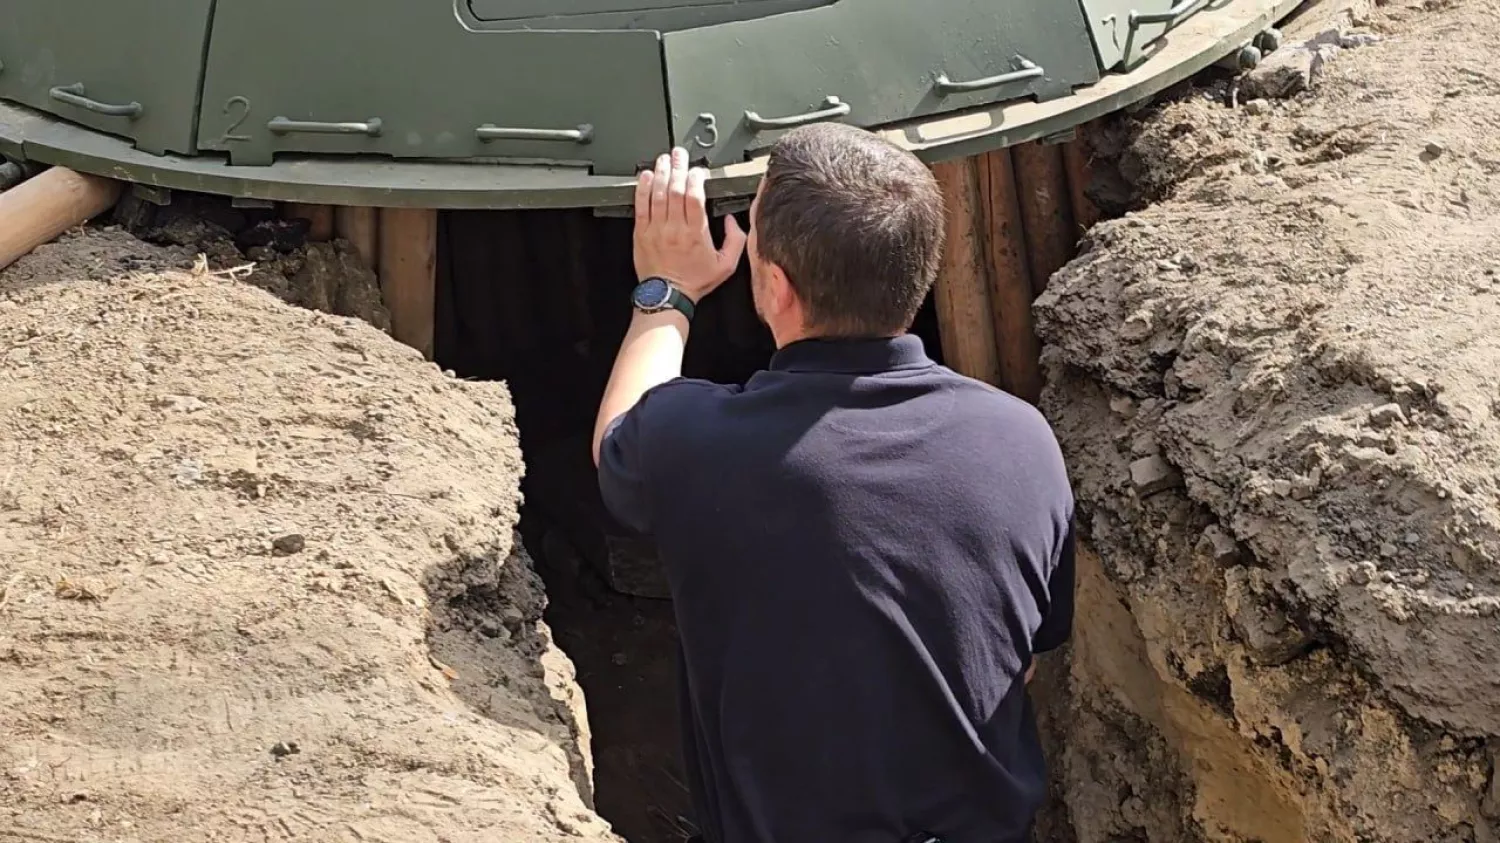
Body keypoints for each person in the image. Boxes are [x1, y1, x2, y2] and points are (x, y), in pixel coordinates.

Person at [591, 124, 1076, 843]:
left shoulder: (700, 443)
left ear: (776, 287)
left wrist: (669, 291)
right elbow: (1026, 655)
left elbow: (615, 441)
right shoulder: (1024, 440)